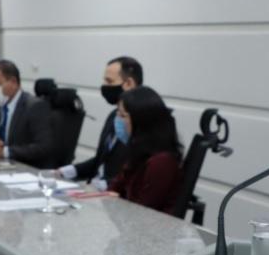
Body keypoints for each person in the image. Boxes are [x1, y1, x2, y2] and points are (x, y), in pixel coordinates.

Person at [59, 56, 142, 188]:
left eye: (110, 81)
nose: (105, 87)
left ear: (129, 84)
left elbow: (137, 174)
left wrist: (100, 186)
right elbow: (101, 160)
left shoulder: (144, 121)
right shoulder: (113, 116)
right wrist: (64, 172)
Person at [106, 86, 183, 214]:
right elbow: (113, 189)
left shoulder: (161, 162)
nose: (117, 120)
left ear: (141, 120)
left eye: (122, 115)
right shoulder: (139, 152)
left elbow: (143, 212)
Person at [0, 59, 56, 168]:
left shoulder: (35, 106)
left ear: (13, 82)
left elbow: (43, 147)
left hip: (28, 169)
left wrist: (5, 152)